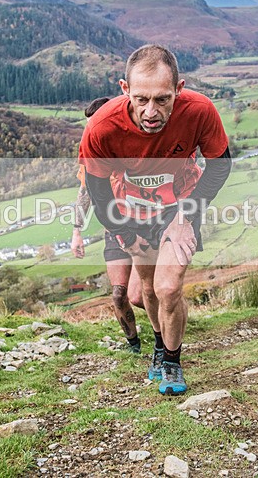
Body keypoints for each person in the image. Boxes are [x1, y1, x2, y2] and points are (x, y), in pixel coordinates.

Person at [79, 44, 232, 396]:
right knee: (145, 288)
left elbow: (220, 165)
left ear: (179, 89)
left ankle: (173, 363)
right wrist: (121, 231)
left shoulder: (199, 111)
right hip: (132, 212)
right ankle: (160, 346)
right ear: (124, 89)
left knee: (168, 287)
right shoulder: (102, 127)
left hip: (180, 205)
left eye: (163, 100)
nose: (151, 112)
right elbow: (98, 189)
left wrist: (187, 215)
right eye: (142, 99)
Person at [71, 98, 145, 354]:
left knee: (140, 296)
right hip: (114, 231)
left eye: (96, 126)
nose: (92, 133)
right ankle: (133, 344)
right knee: (118, 295)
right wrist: (77, 231)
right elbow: (85, 193)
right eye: (88, 127)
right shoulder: (90, 156)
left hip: (142, 225)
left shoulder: (129, 145)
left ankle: (170, 326)